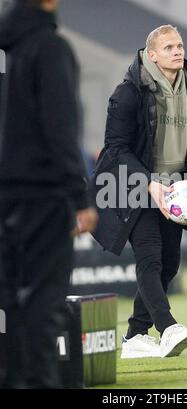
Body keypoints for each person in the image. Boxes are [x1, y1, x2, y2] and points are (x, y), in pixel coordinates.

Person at [92, 25, 187, 359]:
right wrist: (148, 183)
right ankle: (168, 327)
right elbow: (115, 147)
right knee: (150, 256)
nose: (178, 51)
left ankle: (134, 335)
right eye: (169, 47)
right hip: (132, 186)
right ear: (152, 54)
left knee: (169, 264)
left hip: (175, 191)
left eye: (180, 45)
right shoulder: (128, 92)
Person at [0, 0, 98, 388]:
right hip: (42, 192)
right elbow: (59, 126)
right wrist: (79, 196)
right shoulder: (49, 48)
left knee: (7, 299)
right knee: (44, 296)